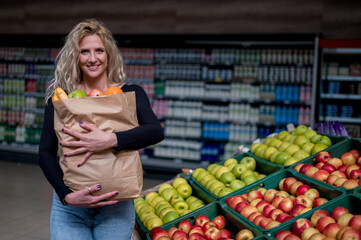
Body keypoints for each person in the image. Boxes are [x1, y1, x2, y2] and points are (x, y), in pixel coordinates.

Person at [39, 19, 164, 240]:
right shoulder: (62, 100)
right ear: (75, 57)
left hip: (116, 205)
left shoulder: (129, 94)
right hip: (70, 209)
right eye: (84, 52)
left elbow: (155, 131)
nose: (93, 58)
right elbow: (45, 153)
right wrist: (66, 195)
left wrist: (111, 140)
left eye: (99, 50)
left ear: (109, 55)